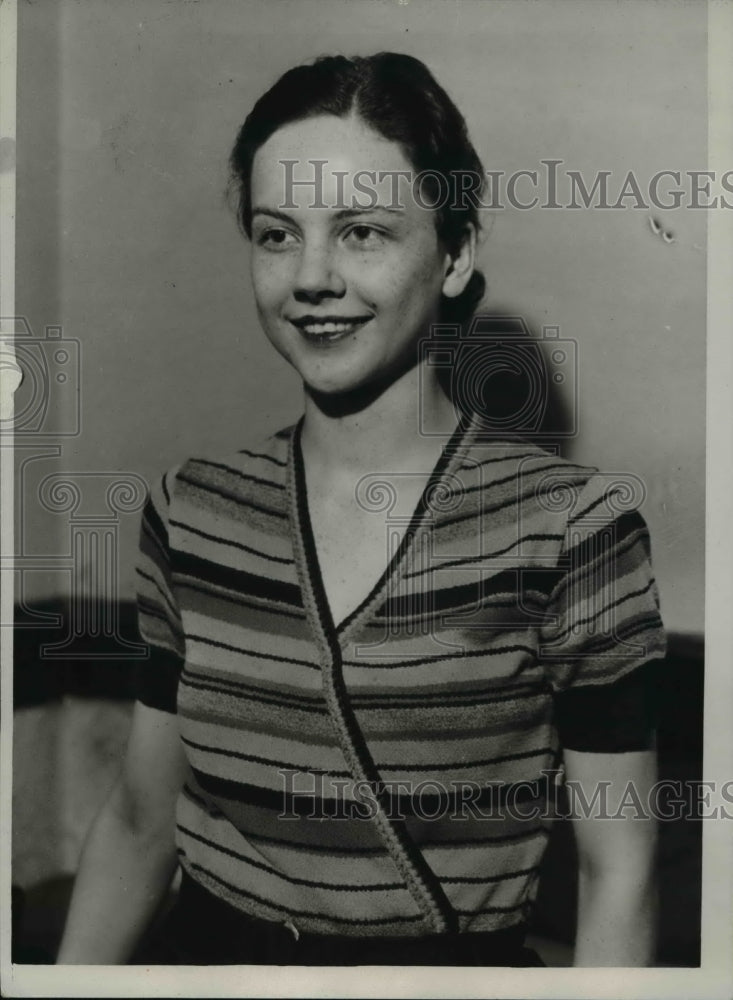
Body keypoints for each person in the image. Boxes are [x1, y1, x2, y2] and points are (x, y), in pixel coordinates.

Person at [56, 52, 665, 967]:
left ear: (455, 254)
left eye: (362, 232)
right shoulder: (192, 510)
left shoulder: (573, 528)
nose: (310, 277)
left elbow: (618, 874)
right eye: (275, 234)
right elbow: (144, 821)